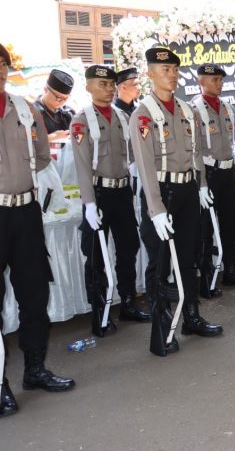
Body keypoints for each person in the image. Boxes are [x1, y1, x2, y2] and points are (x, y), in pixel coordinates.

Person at [132, 47, 222, 357]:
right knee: (159, 263)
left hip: (186, 192)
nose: (171, 74)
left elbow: (196, 153)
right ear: (150, 73)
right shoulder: (143, 114)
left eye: (173, 69)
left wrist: (201, 185)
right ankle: (161, 328)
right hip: (162, 192)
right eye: (163, 69)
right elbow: (144, 166)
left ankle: (191, 316)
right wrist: (155, 208)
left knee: (189, 255)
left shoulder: (187, 110)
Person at [0, 43, 75, 418]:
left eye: (2, 64)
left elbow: (42, 156)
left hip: (25, 211)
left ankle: (35, 369)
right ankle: (0, 383)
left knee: (34, 293)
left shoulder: (24, 109)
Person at [71, 65, 148, 339]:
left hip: (122, 191)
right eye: (101, 84)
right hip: (99, 194)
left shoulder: (121, 116)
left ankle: (127, 302)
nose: (108, 88)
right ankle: (99, 312)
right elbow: (81, 166)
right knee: (96, 256)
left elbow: (131, 155)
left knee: (128, 247)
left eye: (110, 84)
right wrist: (89, 203)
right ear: (89, 86)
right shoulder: (82, 120)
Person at [191, 64, 235, 300]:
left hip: (228, 173)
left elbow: (232, 142)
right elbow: (195, 150)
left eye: (221, 79)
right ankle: (207, 278)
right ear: (202, 81)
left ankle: (230, 269)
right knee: (206, 228)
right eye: (214, 79)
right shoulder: (194, 109)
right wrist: (202, 183)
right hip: (209, 172)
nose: (219, 83)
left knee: (229, 223)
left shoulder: (228, 106)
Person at [34, 69, 75, 140]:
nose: (62, 102)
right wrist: (52, 137)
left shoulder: (68, 113)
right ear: (45, 90)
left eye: (65, 99)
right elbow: (25, 140)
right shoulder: (31, 112)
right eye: (58, 98)